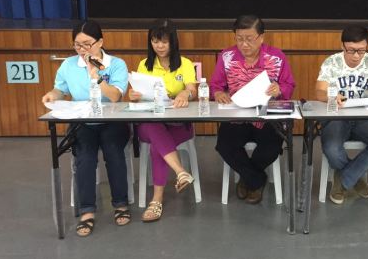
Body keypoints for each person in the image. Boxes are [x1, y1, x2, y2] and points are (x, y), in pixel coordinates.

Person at [42, 20, 131, 237]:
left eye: (87, 44)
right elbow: (60, 89)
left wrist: (97, 77)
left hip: (112, 121)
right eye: (77, 45)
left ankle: (120, 204)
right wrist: (52, 95)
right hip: (83, 121)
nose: (82, 50)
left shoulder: (116, 64)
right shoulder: (69, 65)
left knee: (113, 152)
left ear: (100, 42)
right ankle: (87, 211)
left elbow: (115, 96)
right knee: (85, 157)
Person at [211, 15, 295, 204]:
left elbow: (289, 85)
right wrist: (218, 93)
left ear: (261, 37)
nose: (244, 44)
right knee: (225, 145)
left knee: (272, 146)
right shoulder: (226, 56)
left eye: (249, 39)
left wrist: (280, 89)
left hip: (267, 117)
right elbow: (215, 85)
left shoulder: (276, 57)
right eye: (239, 38)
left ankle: (247, 178)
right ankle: (256, 180)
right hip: (237, 116)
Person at [315, 26, 368, 204]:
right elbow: (319, 92)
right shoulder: (331, 62)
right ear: (342, 46)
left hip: (364, 116)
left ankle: (343, 179)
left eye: (361, 50)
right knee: (331, 148)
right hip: (336, 116)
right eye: (351, 50)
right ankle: (356, 178)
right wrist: (331, 97)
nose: (356, 56)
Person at [129, 21, 198, 222]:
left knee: (157, 146)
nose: (159, 46)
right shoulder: (144, 64)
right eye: (155, 41)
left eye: (164, 42)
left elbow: (192, 89)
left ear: (173, 42)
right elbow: (138, 94)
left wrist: (185, 93)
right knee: (154, 128)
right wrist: (134, 95)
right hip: (150, 123)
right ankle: (180, 172)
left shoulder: (184, 63)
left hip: (179, 125)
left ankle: (156, 201)